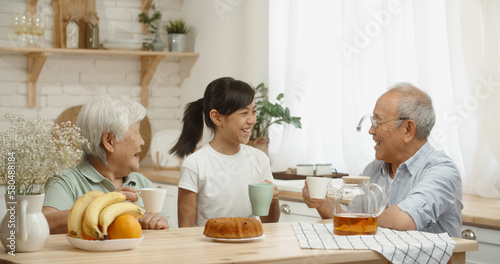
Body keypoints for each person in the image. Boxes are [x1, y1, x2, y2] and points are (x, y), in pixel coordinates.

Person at [302, 83, 463, 237]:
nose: (371, 130)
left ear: (408, 129)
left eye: (377, 122)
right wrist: (323, 204)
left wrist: (358, 222)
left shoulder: (442, 171)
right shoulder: (373, 170)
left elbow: (403, 220)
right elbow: (351, 224)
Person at [42, 95, 169, 234]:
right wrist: (104, 205)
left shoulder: (142, 182)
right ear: (108, 141)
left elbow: (170, 235)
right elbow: (43, 224)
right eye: (136, 133)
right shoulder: (66, 182)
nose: (142, 142)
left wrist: (160, 226)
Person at [170, 77, 280, 227]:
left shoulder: (259, 159)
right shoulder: (195, 164)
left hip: (250, 248)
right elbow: (185, 231)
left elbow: (271, 223)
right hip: (209, 249)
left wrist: (273, 200)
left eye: (253, 112)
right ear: (217, 118)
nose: (251, 120)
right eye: (244, 113)